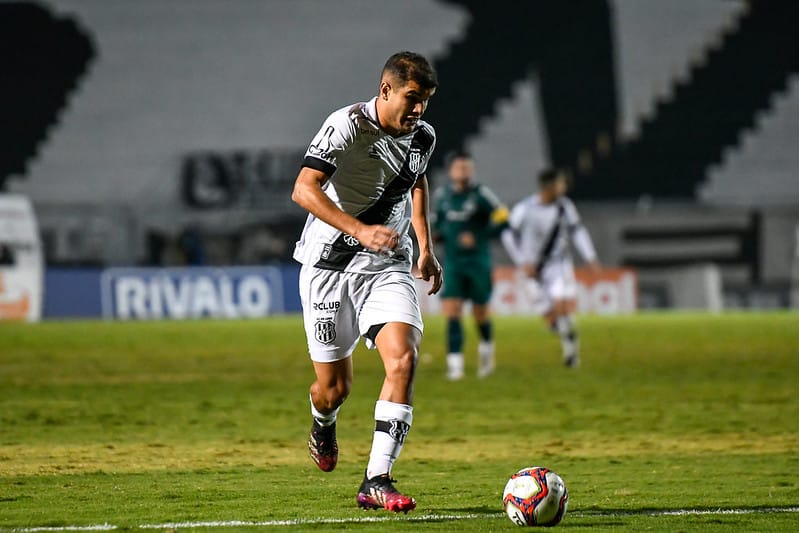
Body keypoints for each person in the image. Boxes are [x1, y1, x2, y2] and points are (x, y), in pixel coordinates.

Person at [291, 51, 442, 513]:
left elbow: (415, 180)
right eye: (412, 98)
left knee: (404, 359)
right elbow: (303, 188)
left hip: (387, 266)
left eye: (426, 101)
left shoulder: (423, 137)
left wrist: (425, 244)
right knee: (333, 388)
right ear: (386, 91)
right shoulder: (347, 126)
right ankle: (323, 419)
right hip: (329, 268)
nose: (418, 110)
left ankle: (376, 478)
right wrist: (358, 229)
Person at [501, 169, 599, 368]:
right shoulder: (525, 208)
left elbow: (577, 230)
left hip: (558, 264)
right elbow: (508, 235)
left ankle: (571, 354)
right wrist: (522, 262)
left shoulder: (565, 207)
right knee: (549, 316)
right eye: (560, 184)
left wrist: (590, 257)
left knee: (562, 305)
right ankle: (565, 332)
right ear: (549, 187)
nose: (564, 188)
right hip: (532, 270)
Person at [432, 152, 508, 380]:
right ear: (451, 171)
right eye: (459, 168)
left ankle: (486, 351)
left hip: (478, 262)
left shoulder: (481, 194)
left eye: (467, 168)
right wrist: (438, 236)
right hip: (454, 263)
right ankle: (455, 365)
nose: (463, 172)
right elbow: (439, 224)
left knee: (480, 313)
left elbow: (504, 218)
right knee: (452, 310)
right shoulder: (442, 196)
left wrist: (481, 235)